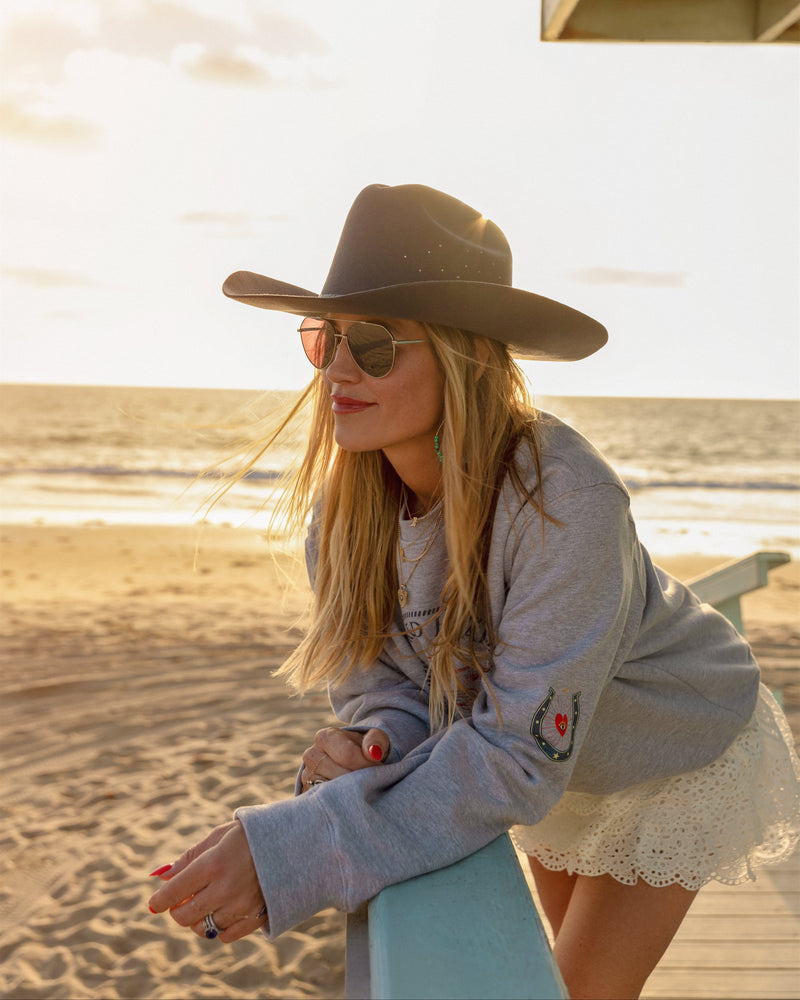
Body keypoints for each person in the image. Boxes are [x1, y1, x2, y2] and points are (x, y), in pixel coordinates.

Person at [148, 183, 800, 999]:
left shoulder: (563, 500)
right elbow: (383, 687)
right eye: (326, 338)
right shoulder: (342, 520)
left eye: (375, 344)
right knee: (550, 973)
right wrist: (378, 740)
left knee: (581, 991)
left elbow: (516, 758)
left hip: (670, 747)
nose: (338, 369)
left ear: (470, 358)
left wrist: (293, 850)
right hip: (546, 751)